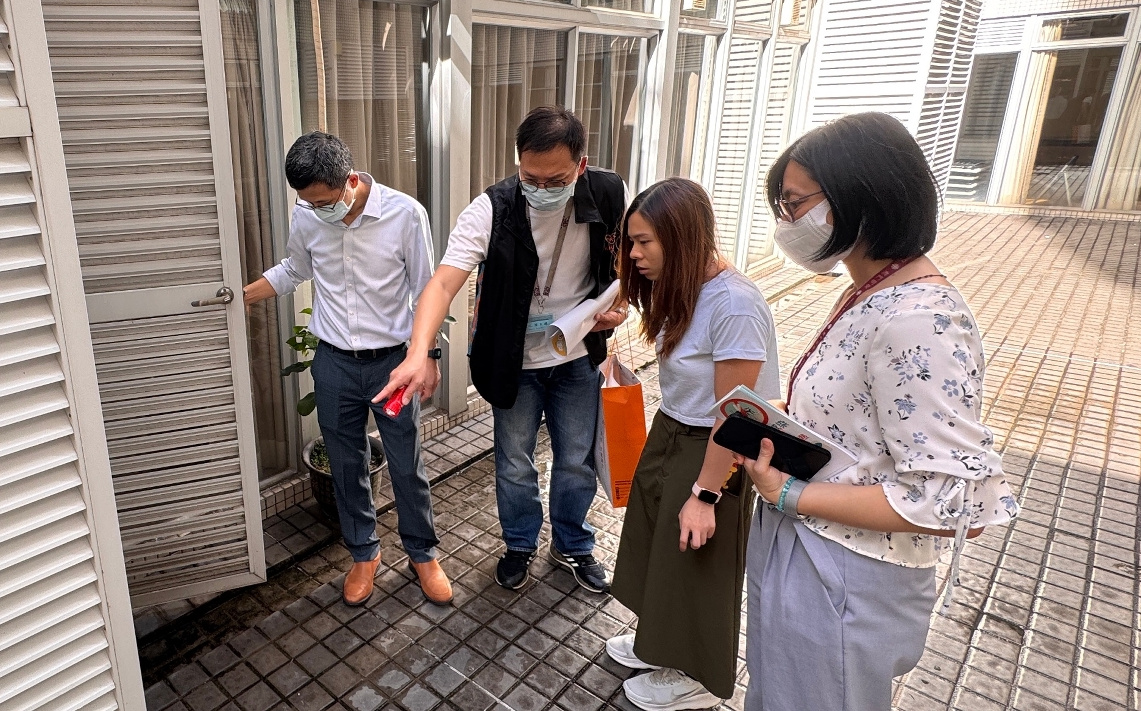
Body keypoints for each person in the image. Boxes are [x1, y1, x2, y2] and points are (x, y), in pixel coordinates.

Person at [737, 112, 1020, 711]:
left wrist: (789, 493)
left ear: (861, 198)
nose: (785, 222)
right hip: (810, 544)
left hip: (846, 567)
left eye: (795, 204)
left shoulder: (917, 319)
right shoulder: (870, 287)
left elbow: (947, 501)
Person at [375, 106, 628, 593]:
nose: (542, 189)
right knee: (514, 461)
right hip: (514, 361)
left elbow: (626, 262)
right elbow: (442, 283)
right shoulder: (492, 208)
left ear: (581, 165)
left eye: (556, 181)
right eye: (530, 178)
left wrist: (620, 306)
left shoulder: (608, 191)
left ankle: (573, 544)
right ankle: (519, 544)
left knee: (576, 459)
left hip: (578, 354)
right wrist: (418, 351)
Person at [243, 131, 452, 607]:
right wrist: (242, 297)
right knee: (345, 463)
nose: (316, 210)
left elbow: (427, 290)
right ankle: (364, 553)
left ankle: (423, 553)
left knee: (406, 462)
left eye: (323, 201)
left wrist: (429, 357)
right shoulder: (307, 214)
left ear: (351, 180)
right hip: (334, 363)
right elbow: (294, 269)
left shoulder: (405, 214)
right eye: (308, 202)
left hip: (392, 365)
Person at [607, 179, 780, 710]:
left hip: (716, 443)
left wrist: (706, 494)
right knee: (657, 537)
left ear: (681, 238)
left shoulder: (735, 304)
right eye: (630, 242)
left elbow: (737, 414)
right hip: (673, 426)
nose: (633, 255)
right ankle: (659, 641)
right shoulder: (683, 284)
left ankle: (696, 676)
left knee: (696, 553)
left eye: (644, 242)